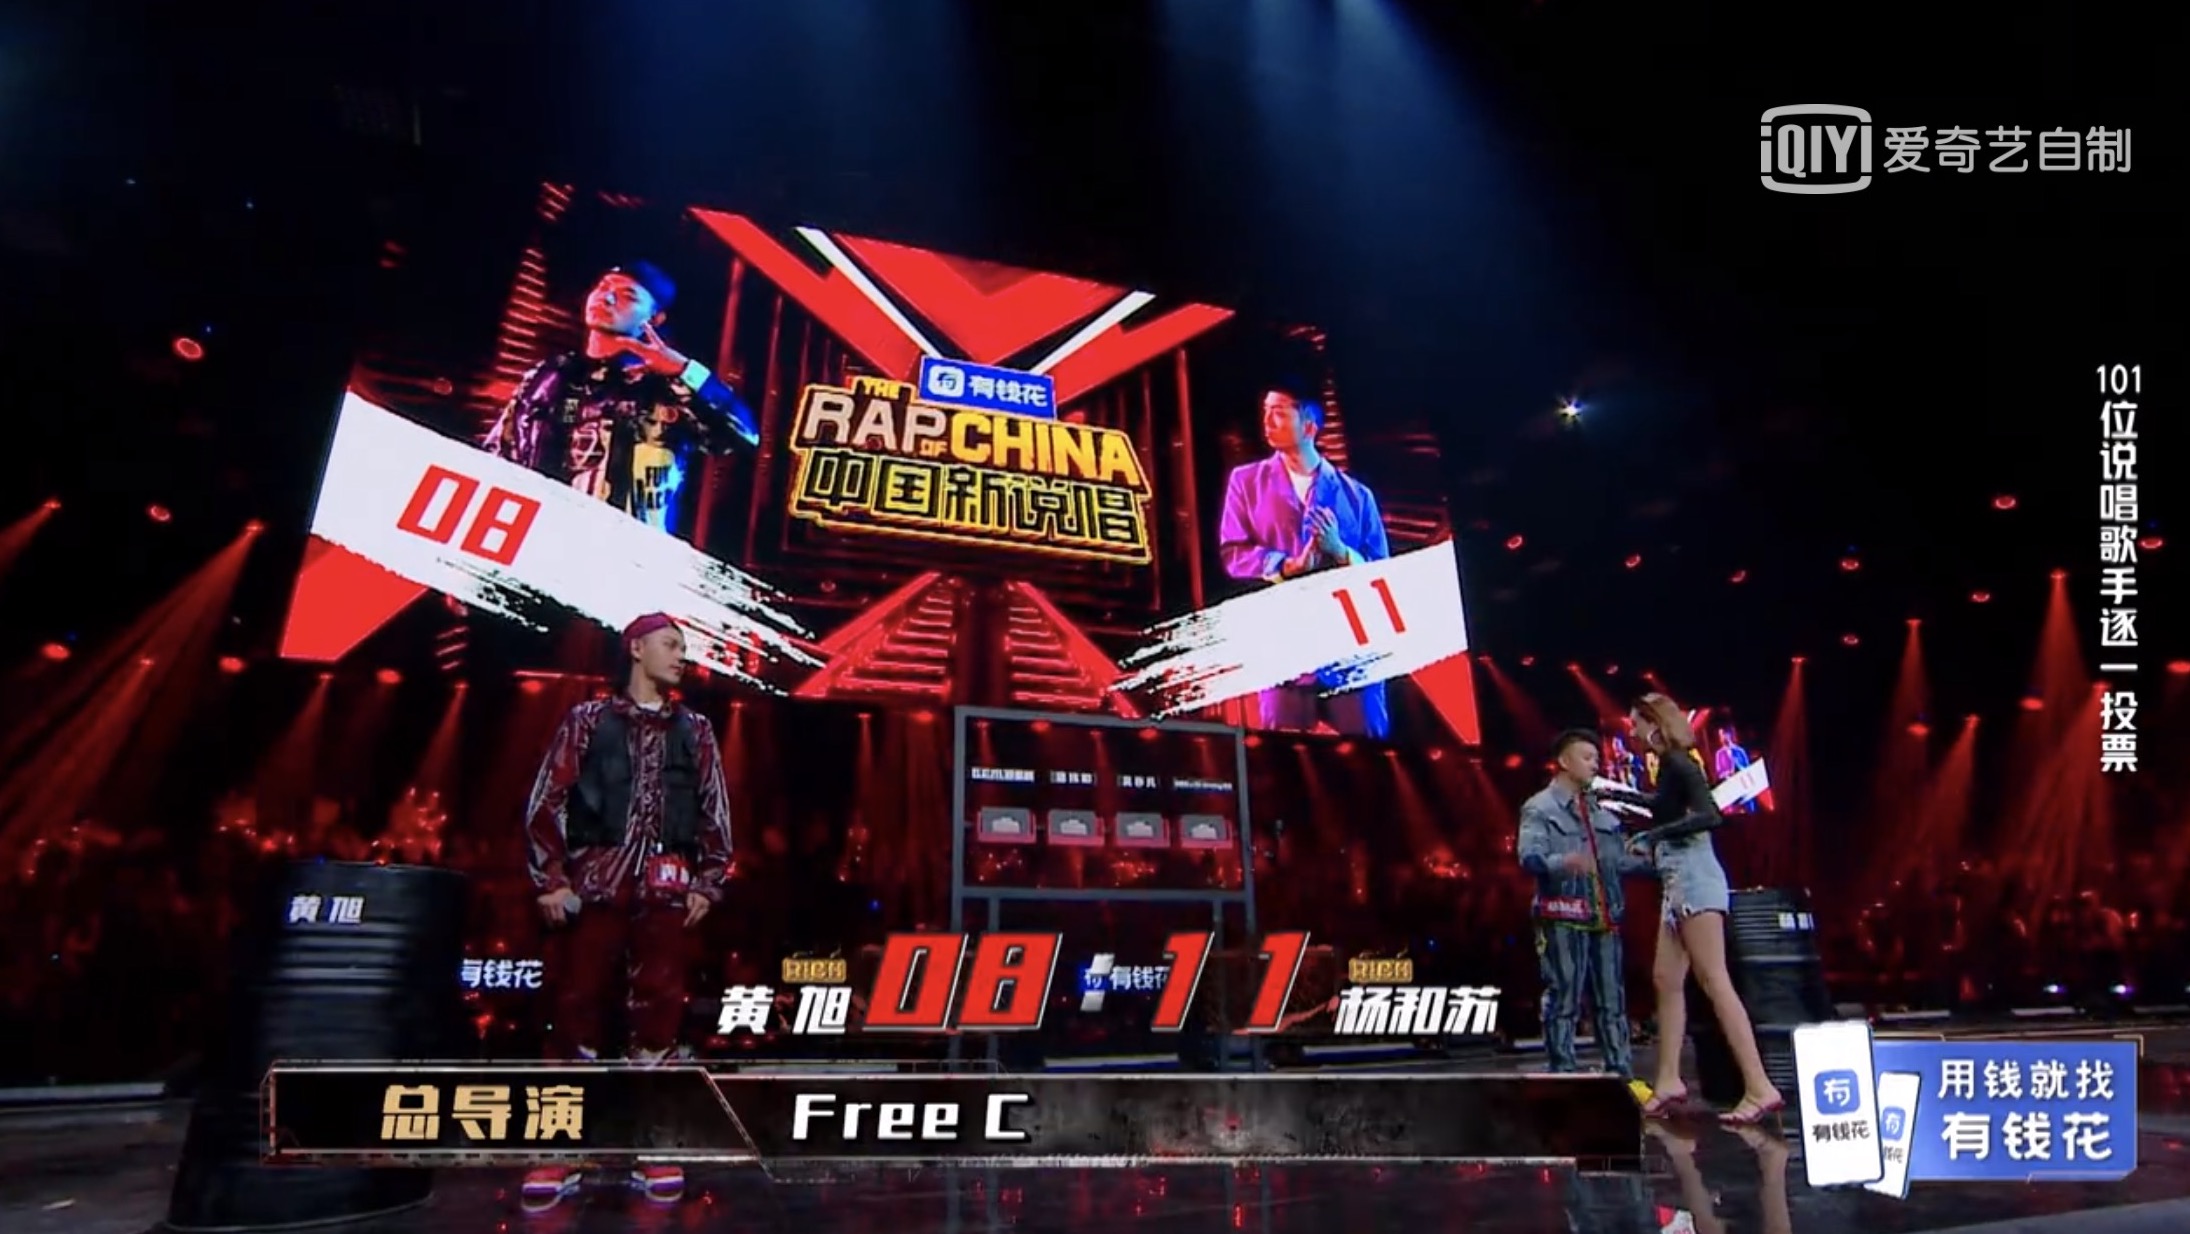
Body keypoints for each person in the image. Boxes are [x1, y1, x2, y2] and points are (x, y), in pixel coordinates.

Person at [519, 613, 735, 1207]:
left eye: (684, 647)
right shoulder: (588, 720)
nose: (681, 655)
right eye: (671, 644)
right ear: (636, 649)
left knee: (659, 1019)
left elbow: (715, 809)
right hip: (594, 884)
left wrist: (708, 882)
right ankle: (558, 1149)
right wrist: (550, 879)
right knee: (574, 1015)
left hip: (666, 890)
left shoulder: (696, 729)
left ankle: (652, 1142)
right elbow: (548, 799)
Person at [485, 262, 759, 536]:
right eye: (603, 287)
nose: (607, 297)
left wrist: (684, 370)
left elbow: (744, 435)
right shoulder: (549, 375)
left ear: (654, 319)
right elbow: (497, 451)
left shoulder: (665, 388)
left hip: (623, 549)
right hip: (532, 537)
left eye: (628, 296)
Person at [1620, 692, 1783, 1124]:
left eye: (1636, 723)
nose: (1631, 731)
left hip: (1694, 877)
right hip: (1677, 880)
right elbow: (1663, 808)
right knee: (1666, 978)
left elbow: (1709, 815)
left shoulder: (1680, 762)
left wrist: (1653, 836)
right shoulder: (1667, 767)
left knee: (1714, 979)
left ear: (1653, 722)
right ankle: (1668, 1079)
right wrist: (1621, 797)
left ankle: (1759, 1085)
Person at [1216, 386, 1391, 738]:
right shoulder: (1246, 482)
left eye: (1279, 412)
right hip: (1282, 650)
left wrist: (1340, 551)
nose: (1267, 421)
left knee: (1370, 753)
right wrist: (1285, 566)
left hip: (1351, 653)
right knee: (1283, 755)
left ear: (1309, 426)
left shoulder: (1357, 496)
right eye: (1266, 411)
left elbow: (1383, 575)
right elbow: (1233, 552)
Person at [1516, 728, 1654, 1079]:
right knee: (1564, 996)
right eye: (1587, 757)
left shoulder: (1601, 810)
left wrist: (1656, 858)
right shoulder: (1540, 807)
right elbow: (1529, 856)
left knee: (1612, 1000)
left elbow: (1618, 861)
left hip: (1605, 915)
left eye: (1596, 758)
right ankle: (1563, 1070)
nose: (1596, 765)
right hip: (1562, 914)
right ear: (1564, 761)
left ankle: (1620, 1072)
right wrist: (1565, 862)